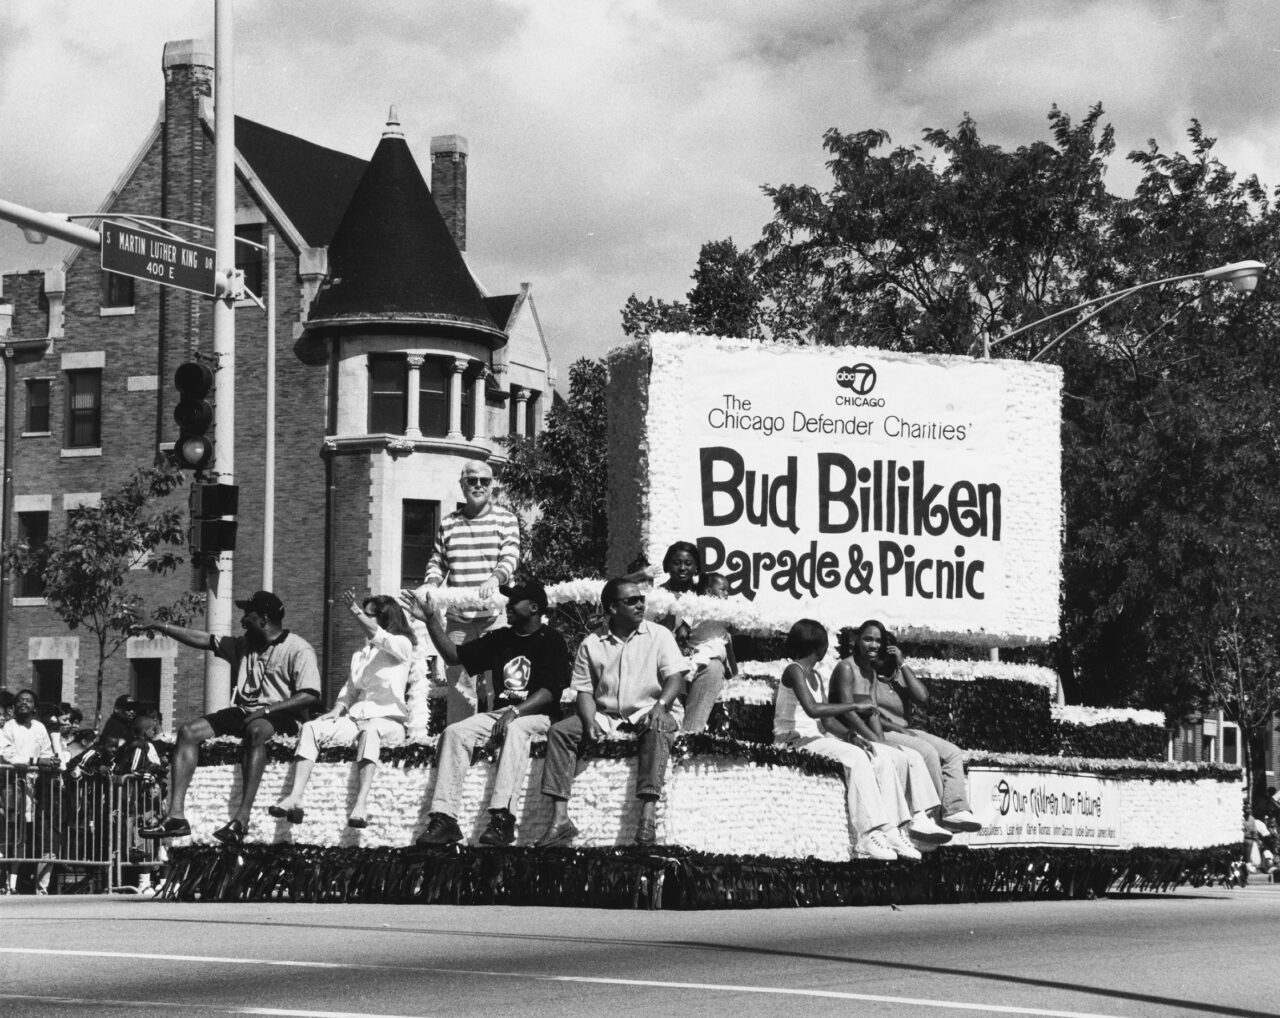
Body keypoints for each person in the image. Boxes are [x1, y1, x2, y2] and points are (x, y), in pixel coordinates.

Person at [140, 590, 321, 845]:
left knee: (256, 731)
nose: (243, 619)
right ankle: (176, 816)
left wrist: (268, 710)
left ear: (264, 619)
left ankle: (241, 820)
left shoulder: (299, 648)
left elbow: (310, 694)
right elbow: (204, 639)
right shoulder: (243, 645)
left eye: (248, 614)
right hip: (246, 712)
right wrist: (163, 627)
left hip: (283, 714)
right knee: (188, 732)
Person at [404, 578, 571, 846]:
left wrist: (516, 711)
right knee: (455, 732)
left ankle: (503, 819)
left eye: (515, 601)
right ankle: (445, 819)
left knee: (515, 728)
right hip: (504, 712)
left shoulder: (551, 640)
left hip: (540, 715)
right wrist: (431, 621)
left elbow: (551, 692)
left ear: (534, 607)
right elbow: (453, 657)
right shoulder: (501, 637)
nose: (508, 605)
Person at [533, 578, 689, 847]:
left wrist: (660, 706)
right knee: (559, 732)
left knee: (658, 726)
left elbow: (676, 678)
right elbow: (584, 691)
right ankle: (560, 821)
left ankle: (647, 818)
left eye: (641, 599)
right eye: (631, 601)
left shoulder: (659, 634)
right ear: (612, 609)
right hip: (609, 715)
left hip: (651, 708)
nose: (641, 604)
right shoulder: (591, 643)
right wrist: (588, 719)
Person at [772, 621, 921, 861]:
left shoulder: (816, 676)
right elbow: (812, 709)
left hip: (815, 739)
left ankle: (892, 829)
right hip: (792, 741)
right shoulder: (794, 670)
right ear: (819, 647)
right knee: (857, 758)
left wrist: (853, 737)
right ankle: (867, 834)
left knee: (875, 753)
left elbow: (829, 722)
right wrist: (854, 704)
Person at [271, 590, 414, 829]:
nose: (363, 621)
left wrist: (355, 610)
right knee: (311, 728)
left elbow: (381, 637)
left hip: (388, 721)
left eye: (370, 616)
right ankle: (295, 797)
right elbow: (350, 689)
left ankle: (361, 805)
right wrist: (337, 709)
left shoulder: (402, 645)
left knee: (370, 732)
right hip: (358, 718)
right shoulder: (361, 654)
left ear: (385, 618)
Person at [842, 619, 982, 831]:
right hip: (884, 730)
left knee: (952, 752)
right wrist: (898, 729)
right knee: (926, 752)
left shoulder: (897, 673)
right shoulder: (865, 673)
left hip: (906, 730)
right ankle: (936, 816)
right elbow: (868, 713)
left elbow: (922, 696)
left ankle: (954, 809)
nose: (880, 657)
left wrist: (902, 663)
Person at [414, 460, 521, 726]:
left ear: (492, 486)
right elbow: (438, 562)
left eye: (484, 481)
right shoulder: (448, 524)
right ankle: (461, 746)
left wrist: (494, 579)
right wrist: (430, 584)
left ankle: (500, 742)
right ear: (462, 485)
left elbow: (511, 557)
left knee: (502, 686)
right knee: (461, 690)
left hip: (495, 618)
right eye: (472, 480)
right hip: (459, 622)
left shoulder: (506, 519)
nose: (478, 485)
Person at [0, 689, 58, 893]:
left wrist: (51, 762)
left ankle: (14, 884)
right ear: (14, 706)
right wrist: (35, 762)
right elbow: (8, 754)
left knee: (22, 835)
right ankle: (6, 883)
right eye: (20, 701)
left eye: (29, 701)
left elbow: (47, 753)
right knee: (10, 830)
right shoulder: (8, 726)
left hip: (32, 787)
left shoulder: (40, 727)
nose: (24, 703)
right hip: (10, 783)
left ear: (35, 706)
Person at [673, 571, 736, 733]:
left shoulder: (726, 610)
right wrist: (682, 638)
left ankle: (690, 732)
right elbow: (682, 631)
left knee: (713, 665)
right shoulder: (696, 606)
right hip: (697, 652)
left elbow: (733, 629)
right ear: (708, 591)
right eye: (722, 590)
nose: (727, 593)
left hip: (717, 655)